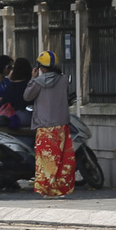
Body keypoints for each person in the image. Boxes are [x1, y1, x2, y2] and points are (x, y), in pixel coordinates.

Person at [25, 50, 75, 196]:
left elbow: (27, 96)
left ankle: (46, 189)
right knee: (61, 159)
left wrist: (32, 78)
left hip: (45, 127)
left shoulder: (37, 82)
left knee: (45, 159)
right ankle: (60, 189)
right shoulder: (64, 79)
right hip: (62, 126)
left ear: (40, 66)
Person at [0, 56, 35, 128]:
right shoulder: (29, 85)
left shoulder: (9, 86)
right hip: (26, 118)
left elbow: (4, 102)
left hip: (10, 117)